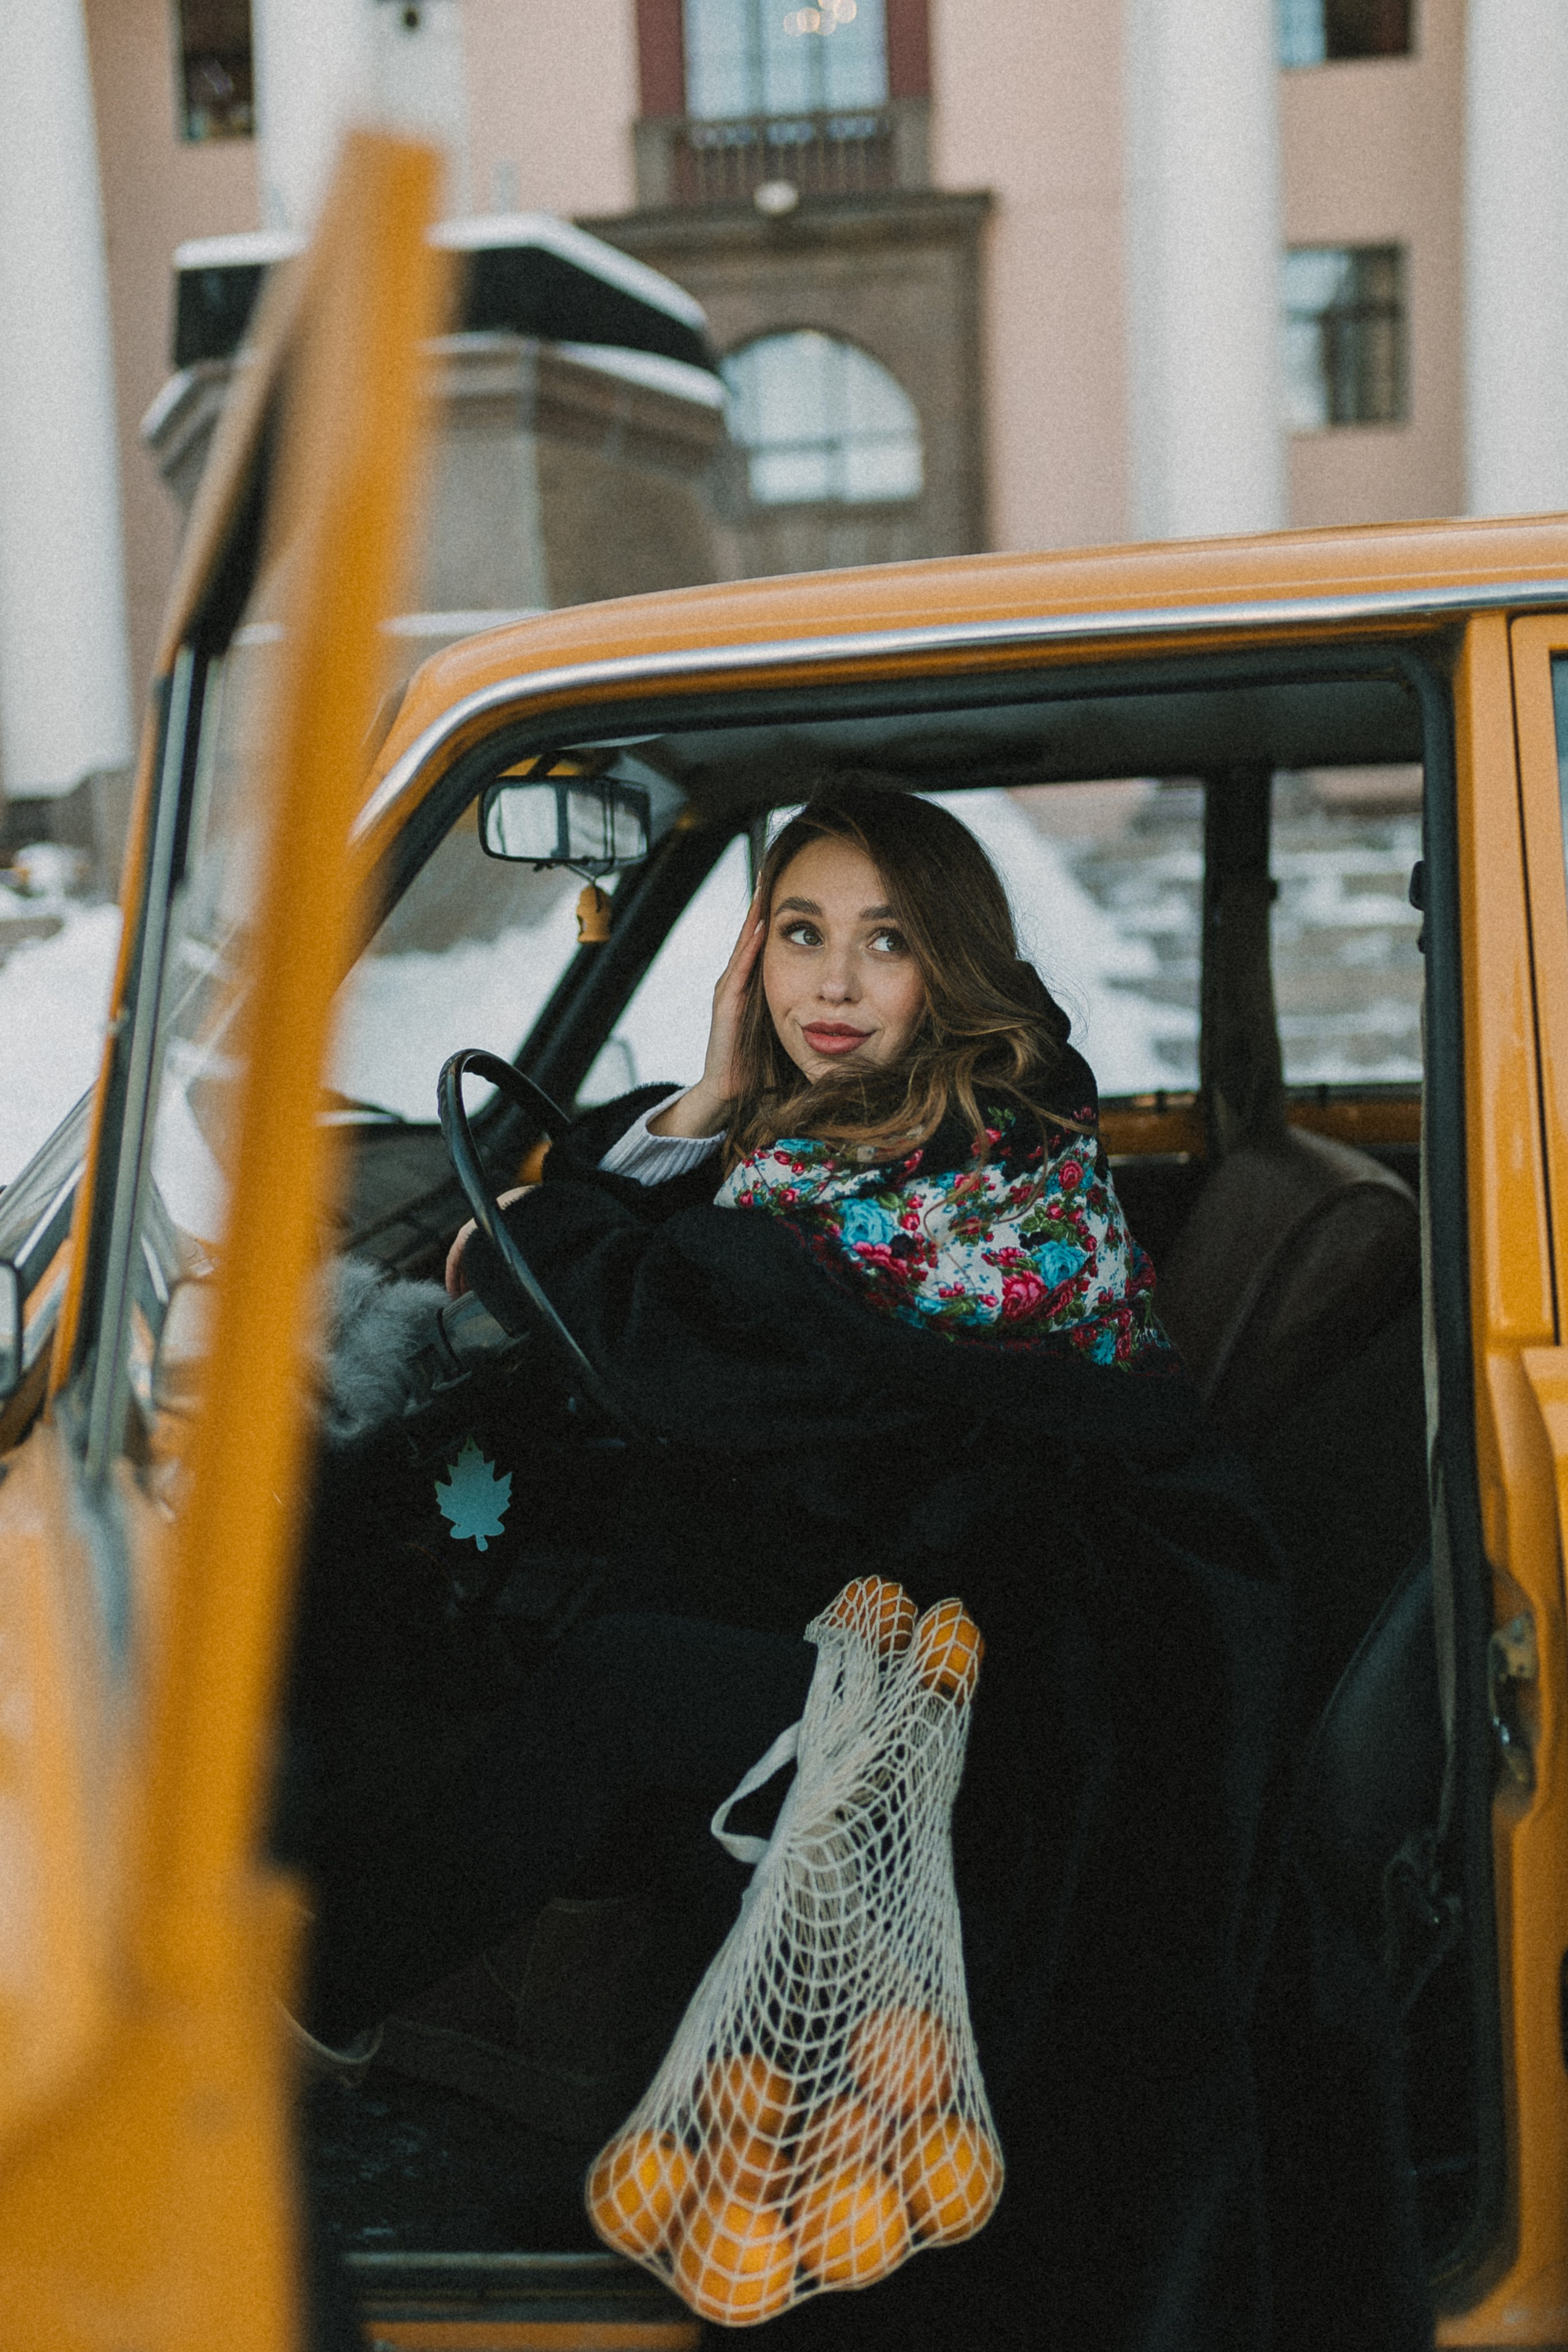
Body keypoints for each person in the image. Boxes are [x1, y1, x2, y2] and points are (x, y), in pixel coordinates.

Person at [288, 784, 1433, 2352]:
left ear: (946, 968)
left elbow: (629, 1318)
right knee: (599, 1613)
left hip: (1025, 1664)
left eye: (883, 945)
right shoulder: (827, 1143)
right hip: (907, 1578)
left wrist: (660, 1168)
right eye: (798, 936)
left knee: (619, 1677)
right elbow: (655, 1307)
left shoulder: (973, 1162)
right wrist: (703, 1087)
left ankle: (313, 2008)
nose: (829, 987)